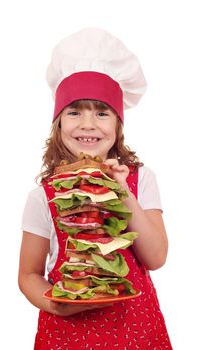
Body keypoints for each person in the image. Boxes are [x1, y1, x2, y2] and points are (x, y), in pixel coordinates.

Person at [18, 28, 173, 349]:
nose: (88, 124)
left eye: (102, 113)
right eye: (74, 112)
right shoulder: (42, 195)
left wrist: (121, 192)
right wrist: (51, 303)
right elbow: (28, 274)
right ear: (58, 123)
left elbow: (156, 256)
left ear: (118, 125)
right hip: (66, 332)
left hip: (136, 327)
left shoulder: (139, 179)